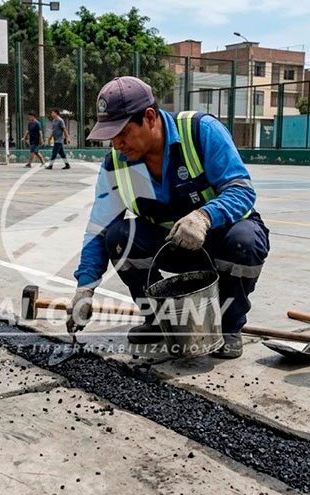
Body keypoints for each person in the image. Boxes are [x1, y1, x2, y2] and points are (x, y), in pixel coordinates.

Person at [66, 76, 270, 359]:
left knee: (244, 240)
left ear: (149, 117)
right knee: (118, 238)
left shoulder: (200, 131)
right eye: (111, 136)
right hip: (170, 248)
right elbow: (99, 230)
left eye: (122, 133)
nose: (117, 144)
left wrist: (204, 217)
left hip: (220, 244)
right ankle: (161, 321)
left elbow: (242, 191)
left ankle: (228, 326)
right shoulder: (116, 165)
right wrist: (85, 288)